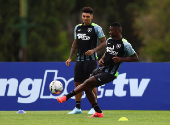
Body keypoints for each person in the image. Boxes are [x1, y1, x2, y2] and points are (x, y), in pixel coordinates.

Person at [57, 22, 139, 117]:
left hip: (110, 73)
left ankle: (66, 97)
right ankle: (98, 112)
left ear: (117, 31)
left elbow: (135, 58)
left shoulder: (125, 45)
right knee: (87, 88)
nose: (109, 32)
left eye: (111, 30)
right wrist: (102, 59)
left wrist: (121, 59)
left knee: (88, 82)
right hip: (101, 69)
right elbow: (107, 52)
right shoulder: (109, 40)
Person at [65, 7, 107, 114]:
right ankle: (78, 108)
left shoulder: (96, 28)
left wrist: (94, 50)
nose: (85, 18)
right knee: (77, 84)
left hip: (91, 60)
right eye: (83, 16)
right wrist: (70, 57)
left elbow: (104, 42)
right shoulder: (77, 28)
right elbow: (75, 44)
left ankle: (94, 107)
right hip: (79, 60)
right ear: (81, 16)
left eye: (88, 17)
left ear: (92, 17)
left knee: (91, 84)